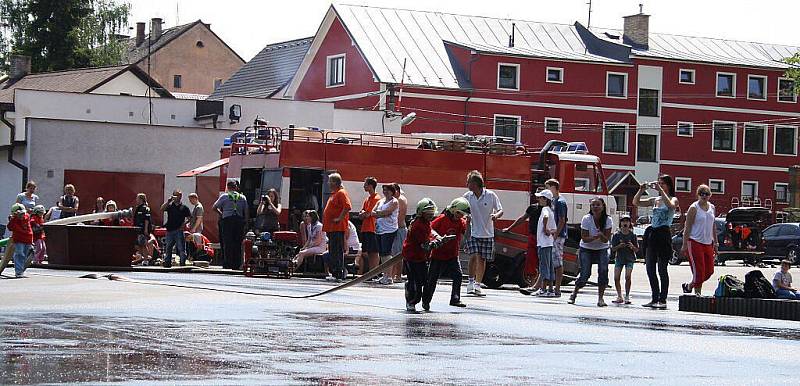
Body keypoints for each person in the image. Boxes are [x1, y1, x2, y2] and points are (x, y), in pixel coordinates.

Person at [634, 175, 679, 310]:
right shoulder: (655, 200)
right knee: (650, 268)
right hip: (653, 233)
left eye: (663, 184)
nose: (660, 186)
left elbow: (671, 206)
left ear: (669, 186)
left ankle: (663, 298)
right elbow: (636, 202)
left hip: (664, 233)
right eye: (659, 184)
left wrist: (661, 190)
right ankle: (654, 297)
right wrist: (641, 190)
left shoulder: (672, 199)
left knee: (662, 268)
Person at [424, 197, 471, 309]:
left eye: (462, 214)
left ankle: (455, 298)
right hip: (438, 255)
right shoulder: (442, 219)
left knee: (458, 276)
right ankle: (426, 300)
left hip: (452, 255)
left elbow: (468, 235)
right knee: (432, 279)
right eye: (458, 213)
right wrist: (436, 237)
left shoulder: (461, 222)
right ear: (453, 210)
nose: (460, 216)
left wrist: (469, 223)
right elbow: (430, 229)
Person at [463, 170, 503, 296]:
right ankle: (470, 282)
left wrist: (496, 215)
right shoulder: (467, 196)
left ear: (475, 183)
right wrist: (465, 217)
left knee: (482, 259)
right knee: (473, 255)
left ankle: (478, 285)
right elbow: (460, 210)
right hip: (473, 231)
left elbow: (500, 210)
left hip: (487, 232)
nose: (466, 184)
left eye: (468, 182)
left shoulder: (491, 195)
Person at [569, 197, 613, 307]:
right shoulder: (586, 219)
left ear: (603, 207)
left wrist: (601, 235)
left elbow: (606, 239)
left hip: (602, 248)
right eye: (593, 205)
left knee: (603, 271)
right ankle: (574, 293)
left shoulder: (608, 220)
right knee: (585, 274)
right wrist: (594, 237)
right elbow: (584, 238)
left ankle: (601, 298)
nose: (595, 207)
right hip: (586, 248)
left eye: (598, 205)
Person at [403, 198, 440, 311]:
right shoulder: (418, 225)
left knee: (424, 281)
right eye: (428, 211)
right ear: (421, 212)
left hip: (421, 258)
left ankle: (414, 297)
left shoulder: (425, 223)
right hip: (412, 257)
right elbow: (424, 245)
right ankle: (411, 301)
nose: (431, 214)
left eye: (432, 211)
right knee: (415, 283)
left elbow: (430, 231)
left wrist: (437, 237)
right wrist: (436, 243)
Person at [681, 184, 717, 296]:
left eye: (706, 193)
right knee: (699, 272)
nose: (704, 196)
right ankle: (698, 295)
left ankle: (689, 285)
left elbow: (713, 225)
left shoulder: (712, 207)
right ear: (698, 195)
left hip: (708, 243)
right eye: (701, 193)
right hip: (694, 241)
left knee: (710, 271)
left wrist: (715, 242)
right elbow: (688, 227)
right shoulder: (694, 208)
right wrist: (684, 244)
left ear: (710, 195)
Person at [502, 193, 541, 295]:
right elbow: (522, 218)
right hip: (533, 236)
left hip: (544, 238)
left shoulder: (549, 209)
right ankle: (532, 286)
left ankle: (542, 287)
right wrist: (510, 228)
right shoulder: (532, 208)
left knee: (544, 262)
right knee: (531, 261)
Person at [213, 180, 249, 270]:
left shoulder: (224, 196)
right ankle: (236, 264)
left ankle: (227, 263)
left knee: (227, 242)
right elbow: (246, 211)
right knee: (237, 243)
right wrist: (246, 222)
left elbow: (214, 207)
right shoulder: (242, 197)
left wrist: (221, 213)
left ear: (228, 187)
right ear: (236, 187)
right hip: (239, 221)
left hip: (227, 221)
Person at [322, 173, 351, 280]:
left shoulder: (341, 193)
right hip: (331, 228)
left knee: (337, 251)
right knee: (333, 250)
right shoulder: (334, 193)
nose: (328, 183)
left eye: (330, 181)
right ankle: (335, 272)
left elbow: (347, 206)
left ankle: (339, 272)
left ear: (335, 182)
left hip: (337, 228)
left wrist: (339, 218)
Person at [373, 184, 399, 285]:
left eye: (387, 190)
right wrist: (380, 213)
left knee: (386, 253)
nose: (385, 192)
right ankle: (384, 275)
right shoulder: (381, 201)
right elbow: (373, 212)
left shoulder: (394, 202)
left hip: (389, 230)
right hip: (379, 230)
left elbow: (387, 212)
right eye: (384, 190)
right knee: (381, 253)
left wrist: (379, 213)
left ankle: (389, 276)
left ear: (392, 191)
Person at [546, 179, 568, 297]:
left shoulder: (560, 202)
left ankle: (557, 288)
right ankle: (550, 287)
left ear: (554, 187)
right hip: (553, 234)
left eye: (548, 187)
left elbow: (562, 220)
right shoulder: (554, 201)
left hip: (558, 236)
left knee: (558, 261)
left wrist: (555, 234)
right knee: (551, 261)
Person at [160, 190, 192, 267]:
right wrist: (168, 201)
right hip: (169, 230)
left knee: (181, 248)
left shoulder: (184, 207)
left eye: (177, 195)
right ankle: (167, 263)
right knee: (168, 247)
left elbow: (190, 218)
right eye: (175, 195)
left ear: (180, 197)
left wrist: (184, 224)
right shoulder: (170, 206)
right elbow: (162, 209)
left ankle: (182, 263)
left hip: (179, 230)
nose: (176, 197)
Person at [534, 190, 557, 297]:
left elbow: (545, 217)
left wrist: (545, 228)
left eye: (541, 198)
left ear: (545, 200)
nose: (539, 200)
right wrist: (549, 231)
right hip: (549, 243)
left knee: (543, 266)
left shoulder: (545, 209)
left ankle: (543, 289)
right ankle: (551, 289)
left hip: (543, 243)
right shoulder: (552, 211)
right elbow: (555, 229)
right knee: (550, 266)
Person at [611, 215, 638, 304]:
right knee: (616, 277)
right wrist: (619, 246)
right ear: (620, 223)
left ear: (630, 223)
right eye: (623, 221)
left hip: (629, 258)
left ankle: (627, 295)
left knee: (627, 276)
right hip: (619, 258)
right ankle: (619, 296)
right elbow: (613, 248)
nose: (625, 223)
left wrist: (632, 246)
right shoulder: (617, 235)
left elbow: (637, 249)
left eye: (627, 221)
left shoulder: (633, 235)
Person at [358, 177, 381, 274]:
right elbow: (361, 215)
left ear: (371, 186)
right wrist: (364, 214)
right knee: (368, 251)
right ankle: (372, 272)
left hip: (372, 228)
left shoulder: (376, 199)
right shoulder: (367, 199)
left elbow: (367, 214)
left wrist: (364, 214)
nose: (364, 186)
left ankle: (374, 272)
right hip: (366, 228)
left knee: (374, 252)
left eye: (366, 184)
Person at [7, 203, 33, 278]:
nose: (22, 215)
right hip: (18, 239)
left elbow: (24, 220)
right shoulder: (13, 219)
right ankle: (18, 272)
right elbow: (10, 227)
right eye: (20, 214)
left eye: (22, 213)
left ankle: (21, 270)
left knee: (25, 255)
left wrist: (18, 216)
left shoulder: (26, 216)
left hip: (27, 238)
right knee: (19, 254)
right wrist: (14, 218)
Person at [389, 183, 408, 283]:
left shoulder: (399, 200)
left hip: (398, 229)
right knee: (395, 252)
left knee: (397, 253)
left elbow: (398, 216)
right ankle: (394, 275)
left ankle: (397, 275)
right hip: (400, 228)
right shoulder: (402, 199)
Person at [133, 193, 153, 262]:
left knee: (143, 245)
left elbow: (147, 219)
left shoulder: (145, 208)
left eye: (137, 198)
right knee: (139, 245)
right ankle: (141, 258)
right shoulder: (138, 208)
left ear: (141, 199)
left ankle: (145, 260)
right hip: (137, 230)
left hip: (142, 230)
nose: (136, 200)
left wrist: (146, 229)